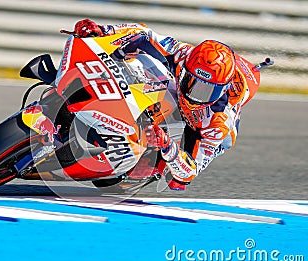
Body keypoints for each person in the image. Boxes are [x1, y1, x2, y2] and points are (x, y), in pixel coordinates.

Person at [69, 19, 254, 191]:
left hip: (200, 127)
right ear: (187, 69)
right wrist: (104, 30)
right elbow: (143, 33)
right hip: (180, 85)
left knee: (175, 181)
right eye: (191, 82)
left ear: (221, 91)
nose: (194, 95)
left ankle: (147, 163)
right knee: (140, 60)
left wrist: (168, 147)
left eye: (206, 91)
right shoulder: (184, 54)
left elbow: (189, 172)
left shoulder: (218, 123)